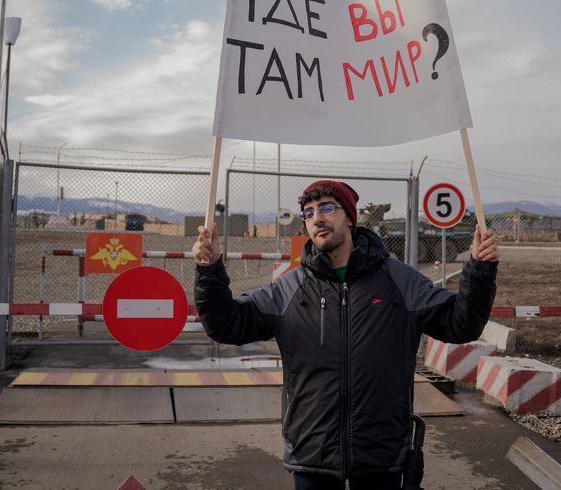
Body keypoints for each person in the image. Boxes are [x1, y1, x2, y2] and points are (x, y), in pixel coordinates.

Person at [193, 179, 499, 489]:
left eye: (327, 207)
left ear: (350, 218)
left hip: (381, 453)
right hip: (313, 453)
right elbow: (225, 324)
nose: (317, 218)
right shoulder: (290, 290)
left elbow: (462, 324)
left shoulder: (400, 283)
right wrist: (209, 270)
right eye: (308, 213)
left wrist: (480, 271)